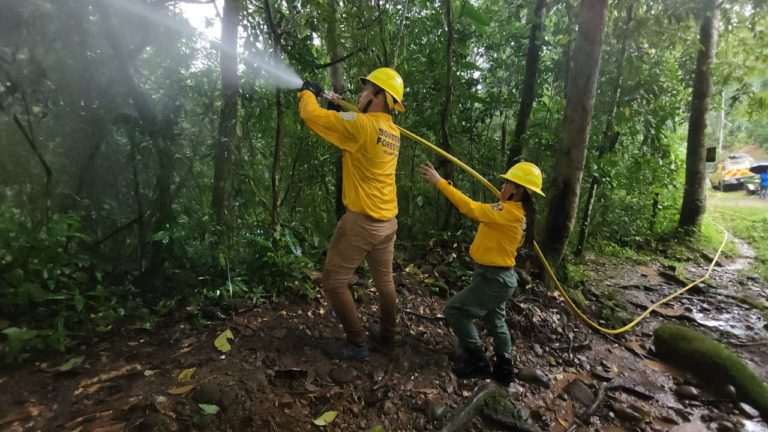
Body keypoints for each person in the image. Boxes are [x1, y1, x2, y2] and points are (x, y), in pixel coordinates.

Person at [298, 68, 405, 361]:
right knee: (386, 284)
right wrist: (338, 108)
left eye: (367, 89)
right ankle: (388, 336)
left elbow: (312, 117)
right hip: (388, 223)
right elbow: (350, 130)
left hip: (362, 222)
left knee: (333, 281)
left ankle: (357, 343)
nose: (361, 94)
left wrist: (308, 92)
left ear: (380, 97)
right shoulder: (393, 133)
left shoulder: (361, 125)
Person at [419, 160, 545, 385]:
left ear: (519, 190)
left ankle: (479, 362)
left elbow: (470, 208)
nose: (503, 185)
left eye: (508, 183)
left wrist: (440, 182)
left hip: (494, 278)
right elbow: (495, 214)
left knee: (454, 310)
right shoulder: (518, 211)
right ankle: (504, 369)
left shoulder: (509, 213)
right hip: (500, 277)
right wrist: (504, 198)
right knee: (496, 320)